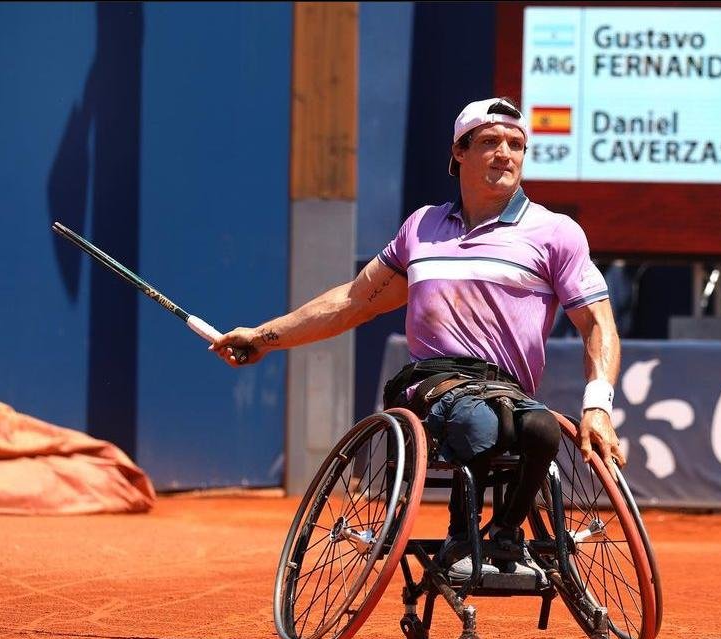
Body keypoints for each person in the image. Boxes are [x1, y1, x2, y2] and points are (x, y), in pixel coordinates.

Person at [212, 97, 625, 583]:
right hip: (435, 384)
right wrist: (264, 337)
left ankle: (505, 534)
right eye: (490, 142)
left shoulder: (556, 234)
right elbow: (354, 300)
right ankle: (460, 537)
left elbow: (598, 322)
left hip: (508, 390)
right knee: (478, 426)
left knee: (542, 431)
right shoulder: (422, 228)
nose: (505, 154)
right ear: (459, 154)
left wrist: (597, 404)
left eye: (516, 145)